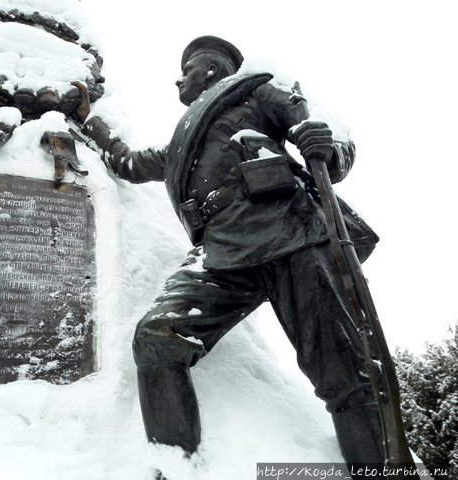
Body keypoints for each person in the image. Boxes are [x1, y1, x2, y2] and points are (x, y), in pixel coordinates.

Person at [72, 36, 410, 476]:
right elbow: (130, 164)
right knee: (158, 337)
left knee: (345, 372)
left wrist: (329, 145)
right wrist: (90, 123)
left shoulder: (256, 87)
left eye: (187, 69)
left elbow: (323, 130)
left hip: (293, 234)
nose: (179, 79)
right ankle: (176, 468)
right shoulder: (181, 143)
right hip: (220, 253)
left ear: (211, 70)